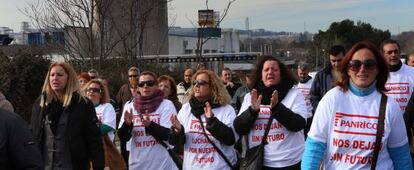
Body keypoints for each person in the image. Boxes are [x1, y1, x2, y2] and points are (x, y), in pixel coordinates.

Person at [302, 41, 412, 169]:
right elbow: (314, 148)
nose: (362, 69)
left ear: (377, 69)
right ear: (347, 69)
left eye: (369, 64)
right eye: (355, 64)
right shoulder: (332, 99)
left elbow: (401, 157)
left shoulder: (390, 107)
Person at [234, 56, 309, 169]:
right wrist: (252, 111)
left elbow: (299, 124)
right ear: (261, 74)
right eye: (266, 70)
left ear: (281, 73)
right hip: (259, 162)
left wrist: (277, 108)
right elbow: (239, 128)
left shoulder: (294, 94)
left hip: (289, 161)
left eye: (274, 69)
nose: (270, 72)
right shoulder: (251, 96)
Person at [30, 62, 104, 169]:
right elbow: (33, 136)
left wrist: (98, 166)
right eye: (52, 75)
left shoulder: (82, 104)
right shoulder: (40, 104)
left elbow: (94, 140)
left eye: (60, 75)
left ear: (69, 78)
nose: (55, 78)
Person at [169, 69, 238, 170]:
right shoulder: (186, 109)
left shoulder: (226, 109)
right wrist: (177, 132)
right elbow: (175, 142)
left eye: (201, 83)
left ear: (213, 86)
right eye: (194, 83)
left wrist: (212, 122)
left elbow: (231, 139)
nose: (196, 85)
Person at [118, 71, 178, 170]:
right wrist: (127, 125)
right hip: (138, 164)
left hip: (162, 164)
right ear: (138, 87)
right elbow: (123, 137)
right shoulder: (129, 106)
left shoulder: (166, 104)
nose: (145, 86)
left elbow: (169, 135)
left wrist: (150, 125)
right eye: (141, 84)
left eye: (150, 83)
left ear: (156, 86)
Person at [381, 39, 414, 151]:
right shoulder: (377, 76)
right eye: (389, 52)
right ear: (382, 54)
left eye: (395, 51)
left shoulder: (412, 73)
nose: (393, 55)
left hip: (408, 129)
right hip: (384, 129)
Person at [310, 45, 346, 114]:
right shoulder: (321, 76)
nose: (336, 64)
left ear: (345, 57)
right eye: (333, 61)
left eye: (339, 60)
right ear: (329, 59)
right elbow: (313, 96)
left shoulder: (352, 75)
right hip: (325, 114)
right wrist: (322, 110)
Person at [116, 66, 140, 164]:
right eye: (130, 76)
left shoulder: (143, 87)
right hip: (126, 126)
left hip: (139, 128)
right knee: (126, 160)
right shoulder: (123, 89)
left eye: (135, 75)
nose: (132, 78)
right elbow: (118, 103)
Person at [294, 62, 314, 137]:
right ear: (298, 72)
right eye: (300, 74)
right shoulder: (295, 84)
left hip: (310, 117)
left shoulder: (313, 83)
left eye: (304, 74)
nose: (302, 76)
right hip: (299, 116)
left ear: (308, 72)